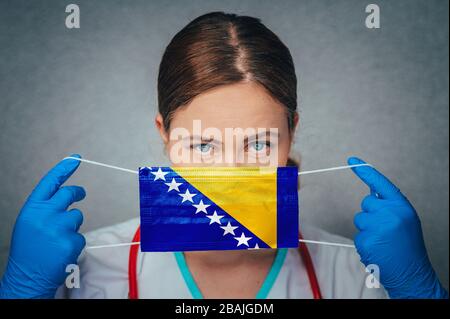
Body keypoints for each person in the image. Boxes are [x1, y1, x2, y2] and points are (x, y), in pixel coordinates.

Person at [0, 12, 447, 299]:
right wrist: (22, 293)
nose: (230, 169)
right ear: (165, 135)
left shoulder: (357, 274)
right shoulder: (84, 269)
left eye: (258, 143)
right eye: (202, 144)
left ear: (292, 132)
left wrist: (418, 292)